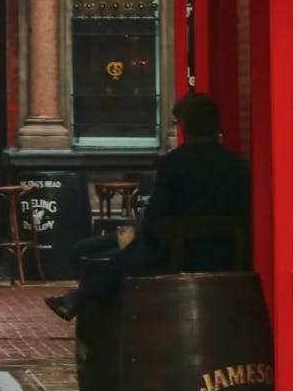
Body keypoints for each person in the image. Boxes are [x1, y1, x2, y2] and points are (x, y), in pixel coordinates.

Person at [45, 92, 250, 321]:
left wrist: (142, 237)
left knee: (123, 255)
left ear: (185, 127)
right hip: (227, 252)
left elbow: (155, 216)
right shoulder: (237, 165)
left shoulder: (173, 163)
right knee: (127, 251)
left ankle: (83, 304)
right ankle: (77, 299)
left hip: (178, 255)